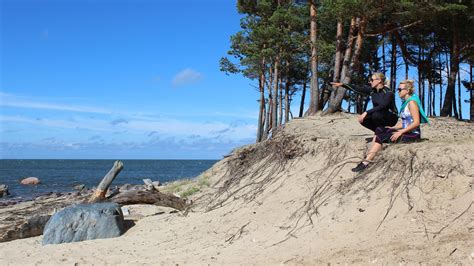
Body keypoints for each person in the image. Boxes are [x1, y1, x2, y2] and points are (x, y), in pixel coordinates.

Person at [352, 80, 429, 172]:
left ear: (407, 91)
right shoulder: (406, 103)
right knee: (380, 129)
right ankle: (373, 153)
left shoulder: (412, 103)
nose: (398, 91)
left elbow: (416, 123)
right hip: (406, 132)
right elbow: (406, 122)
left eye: (400, 89)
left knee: (381, 137)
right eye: (397, 89)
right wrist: (394, 128)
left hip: (413, 135)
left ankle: (366, 163)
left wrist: (400, 132)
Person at [331, 72, 398, 132]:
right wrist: (343, 85)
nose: (370, 82)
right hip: (379, 115)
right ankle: (381, 132)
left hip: (392, 117)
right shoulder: (372, 90)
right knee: (363, 119)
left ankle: (382, 132)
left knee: (375, 115)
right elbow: (358, 88)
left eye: (372, 80)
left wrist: (366, 112)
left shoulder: (389, 92)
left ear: (379, 80)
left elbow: (383, 106)